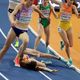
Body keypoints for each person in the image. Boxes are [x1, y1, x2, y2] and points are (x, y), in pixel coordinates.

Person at [52, 0, 80, 66]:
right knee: (67, 43)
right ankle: (69, 59)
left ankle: (62, 42)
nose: (72, 2)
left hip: (68, 26)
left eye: (73, 1)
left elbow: (77, 15)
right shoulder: (61, 4)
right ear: (67, 0)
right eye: (71, 0)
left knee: (71, 45)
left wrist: (79, 14)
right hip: (61, 26)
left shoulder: (73, 7)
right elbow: (53, 1)